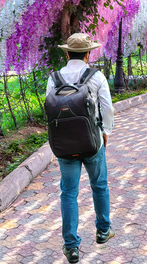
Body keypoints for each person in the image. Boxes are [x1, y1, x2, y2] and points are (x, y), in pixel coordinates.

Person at [46, 33, 116, 263]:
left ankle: (71, 246)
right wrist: (106, 132)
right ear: (88, 54)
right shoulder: (96, 77)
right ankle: (103, 230)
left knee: (68, 193)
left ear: (67, 53)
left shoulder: (54, 78)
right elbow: (107, 108)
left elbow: (49, 109)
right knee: (99, 185)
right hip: (91, 141)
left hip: (64, 145)